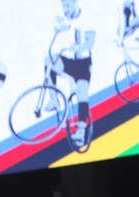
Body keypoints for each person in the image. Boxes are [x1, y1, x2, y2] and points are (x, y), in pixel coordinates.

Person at [46, 0, 96, 147]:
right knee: (49, 60)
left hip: (84, 64)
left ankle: (81, 130)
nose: (65, 9)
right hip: (71, 62)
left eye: (67, 5)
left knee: (82, 94)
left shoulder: (87, 19)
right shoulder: (64, 20)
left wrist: (76, 48)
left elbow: (90, 43)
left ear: (76, 3)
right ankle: (54, 100)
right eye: (63, 6)